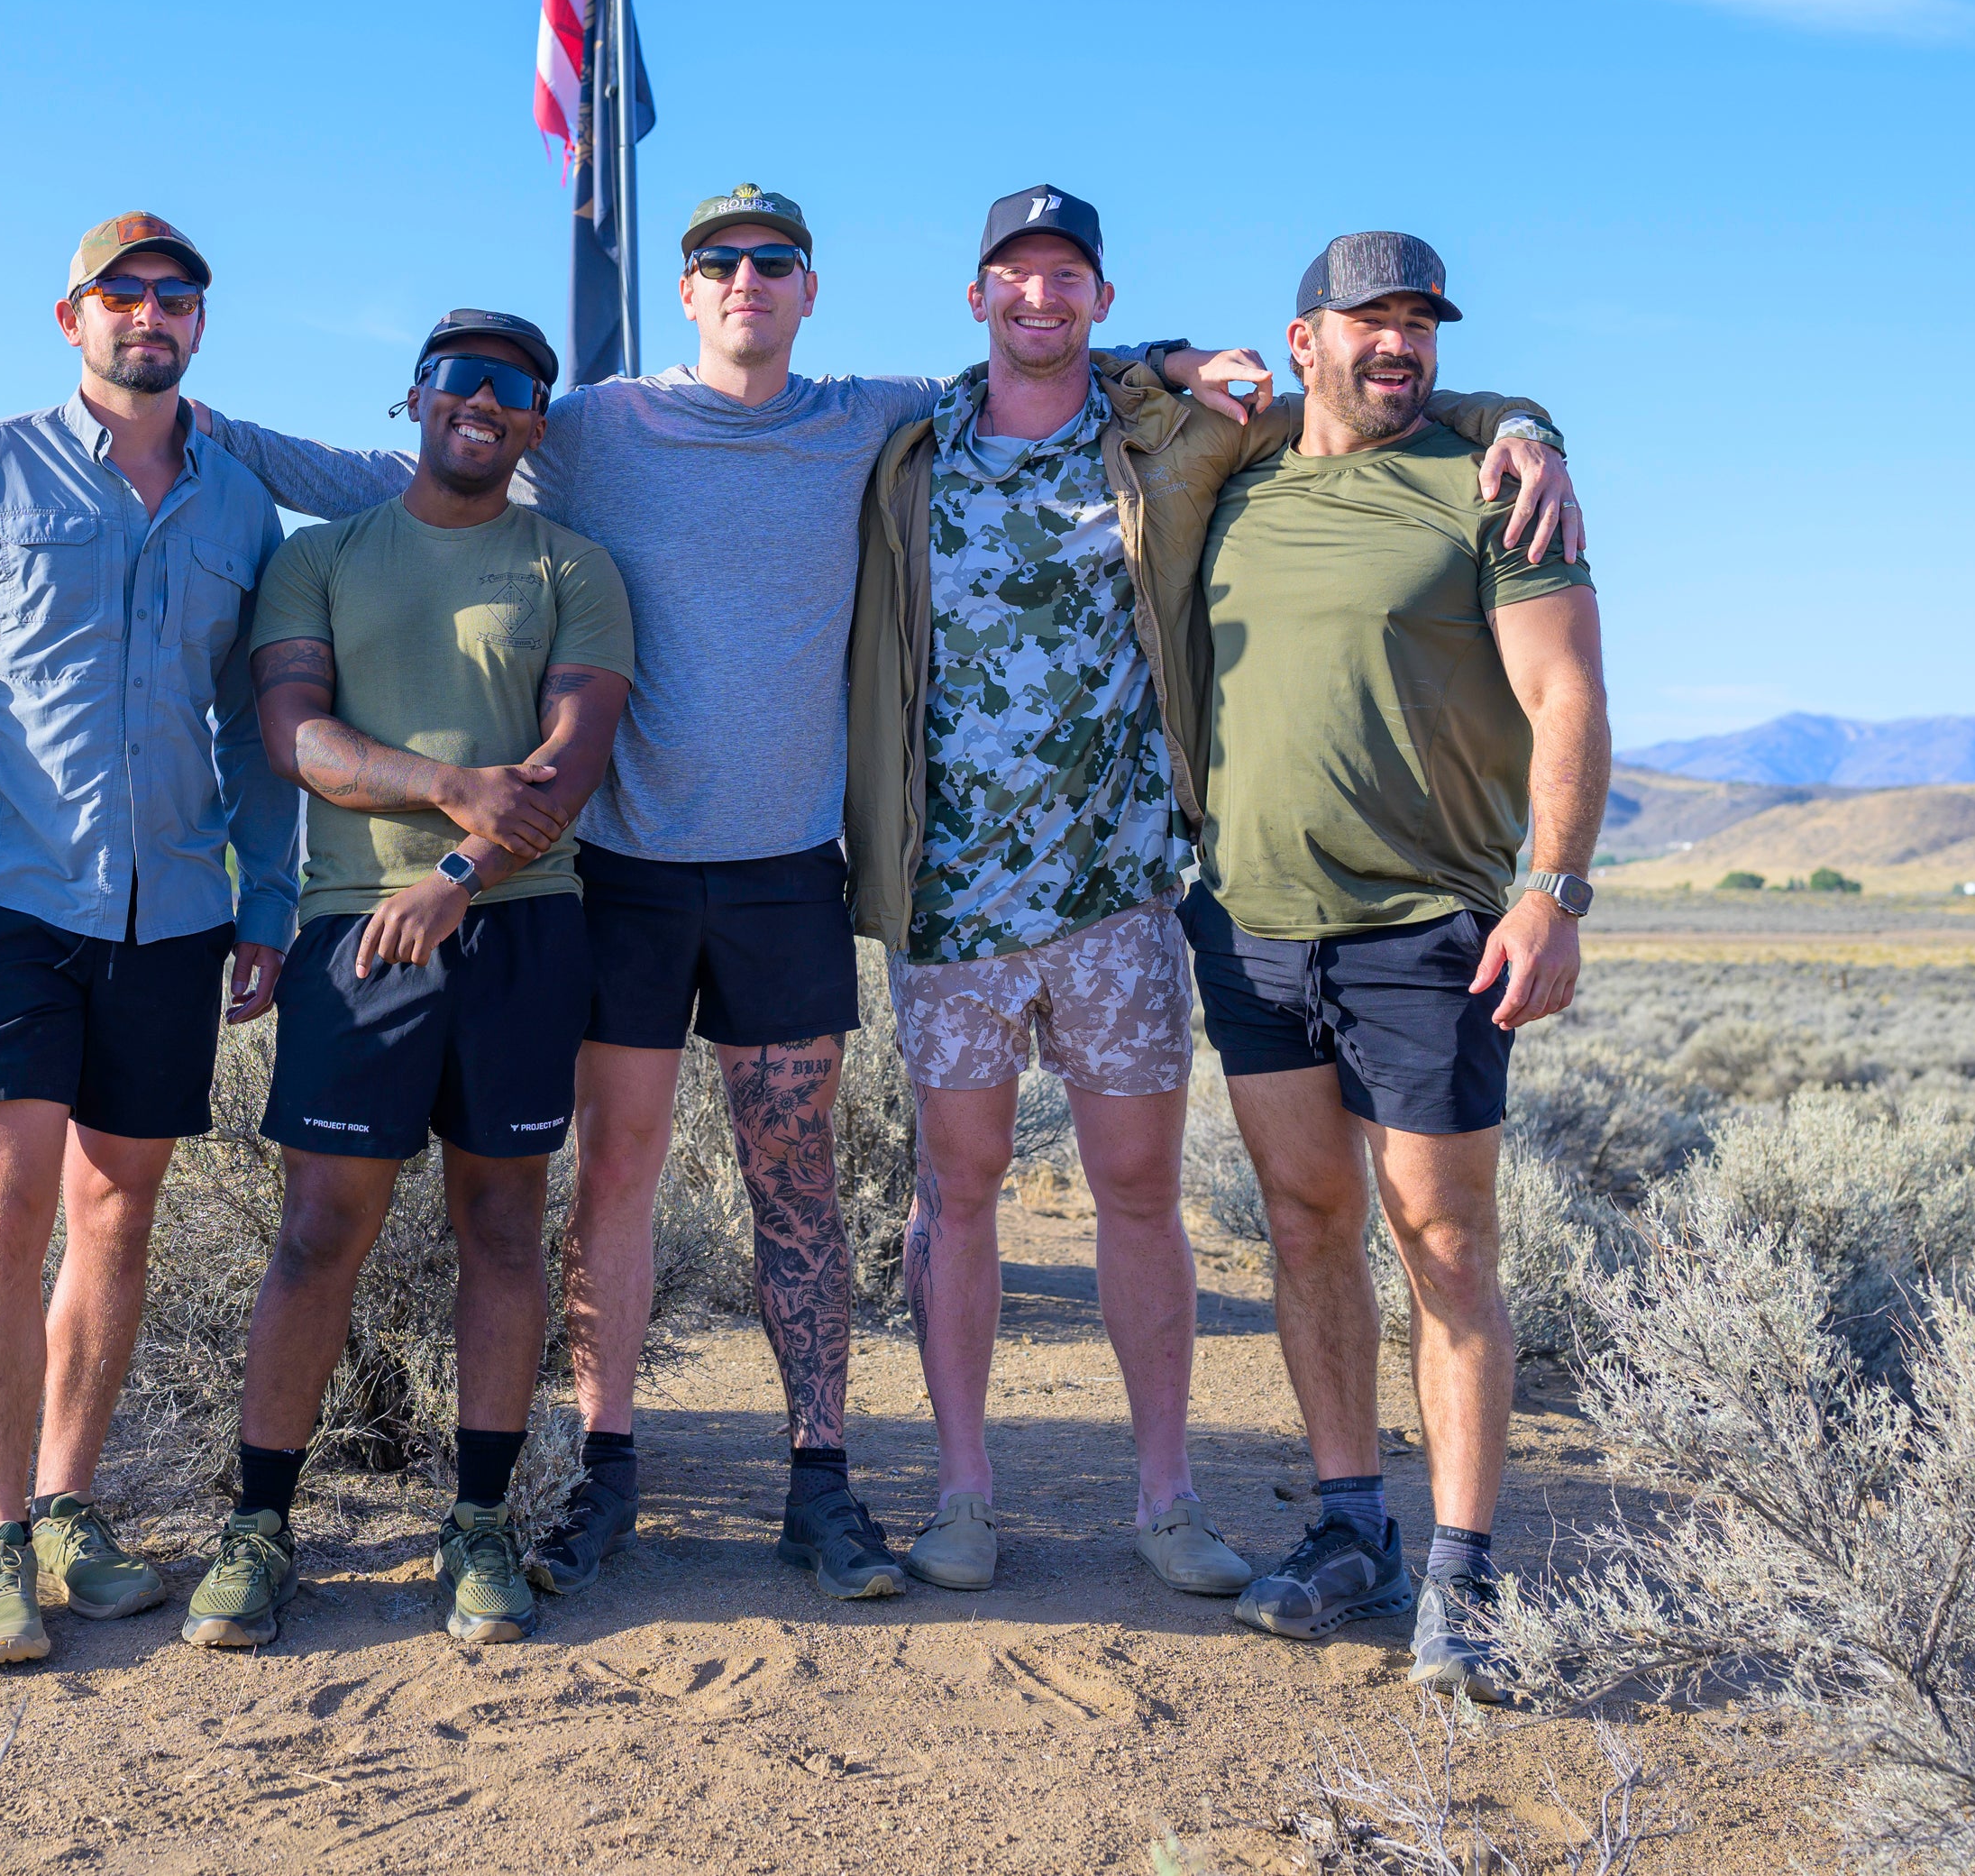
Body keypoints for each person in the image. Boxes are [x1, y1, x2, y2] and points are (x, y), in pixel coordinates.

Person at [189, 188, 1472, 1604]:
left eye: (774, 261)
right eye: (720, 262)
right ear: (690, 292)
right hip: (642, 870)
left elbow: (1187, 379)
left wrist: (1453, 411)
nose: (747, 279)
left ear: (812, 288)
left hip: (817, 874)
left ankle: (842, 1485)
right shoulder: (605, 427)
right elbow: (416, 476)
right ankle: (608, 1472)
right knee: (620, 1177)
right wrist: (195, 424)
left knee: (824, 1183)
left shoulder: (876, 416)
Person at [847, 188, 1568, 1600]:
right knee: (962, 1188)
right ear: (977, 294)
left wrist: (1522, 421)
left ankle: (1169, 1499)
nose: (1041, 298)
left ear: (1104, 303)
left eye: (1069, 278)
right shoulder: (908, 450)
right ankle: (963, 1495)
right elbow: (1332, 372)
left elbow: (1375, 396)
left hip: (1128, 893)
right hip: (950, 896)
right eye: (1016, 276)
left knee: (1138, 1194)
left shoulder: (1177, 439)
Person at [0, 210, 300, 1671]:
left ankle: (67, 1508)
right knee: (8, 1208)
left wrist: (267, 896)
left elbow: (253, 723)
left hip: (175, 909)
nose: (151, 317)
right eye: (124, 297)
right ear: (72, 320)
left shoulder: (241, 505)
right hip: (5, 900)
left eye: (177, 298)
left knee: (120, 1213)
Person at [1184, 232, 1611, 1703]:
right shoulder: (1225, 482)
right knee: (1305, 1224)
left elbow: (1565, 698)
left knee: (1443, 1243)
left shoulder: (1493, 486)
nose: (1399, 345)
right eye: (1369, 320)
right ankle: (1350, 1523)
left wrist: (1550, 890)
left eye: (1420, 323)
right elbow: (1090, 376)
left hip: (1427, 928)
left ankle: (1466, 1570)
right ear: (1301, 341)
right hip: (1247, 921)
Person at [178, 309, 635, 1653]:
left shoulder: (572, 566)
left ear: (536, 427)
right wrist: (443, 791)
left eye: (514, 388)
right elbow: (297, 735)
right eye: (459, 379)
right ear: (417, 400)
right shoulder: (321, 557)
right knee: (319, 1232)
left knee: (502, 1230)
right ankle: (260, 1528)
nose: (483, 401)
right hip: (348, 933)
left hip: (520, 931)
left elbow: (570, 759)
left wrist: (455, 878)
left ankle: (481, 1524)